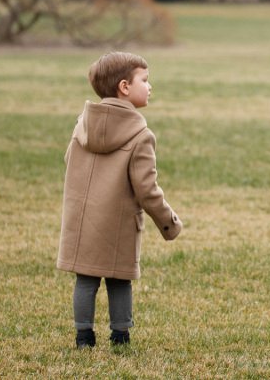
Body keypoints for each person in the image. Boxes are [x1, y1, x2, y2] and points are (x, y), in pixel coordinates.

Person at [56, 51, 182, 348]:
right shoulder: (141, 135)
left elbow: (68, 160)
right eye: (145, 80)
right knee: (119, 279)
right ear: (125, 87)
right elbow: (147, 189)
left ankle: (83, 336)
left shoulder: (82, 125)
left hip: (82, 219)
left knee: (85, 279)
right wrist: (169, 223)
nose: (150, 86)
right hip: (117, 223)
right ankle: (120, 335)